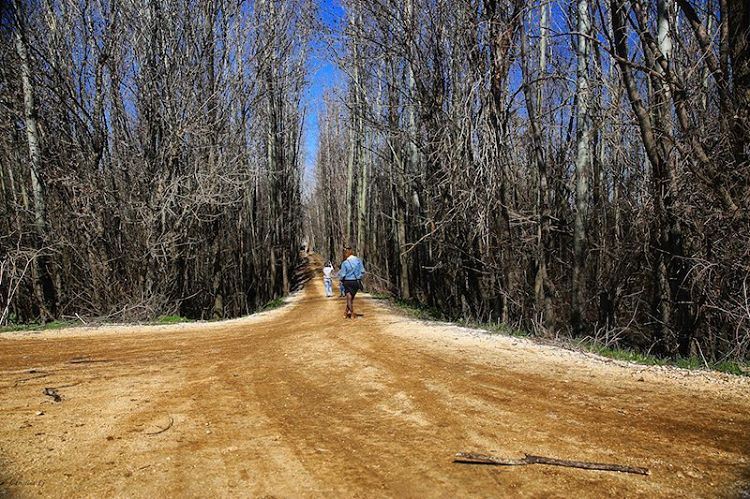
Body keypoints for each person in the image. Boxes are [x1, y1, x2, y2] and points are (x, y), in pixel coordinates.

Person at [339, 246, 365, 319]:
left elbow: (343, 274)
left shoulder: (345, 263)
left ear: (346, 254)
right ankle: (345, 313)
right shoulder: (358, 260)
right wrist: (358, 276)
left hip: (347, 281)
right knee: (351, 298)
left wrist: (341, 279)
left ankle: (352, 313)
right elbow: (362, 271)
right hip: (356, 282)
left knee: (349, 298)